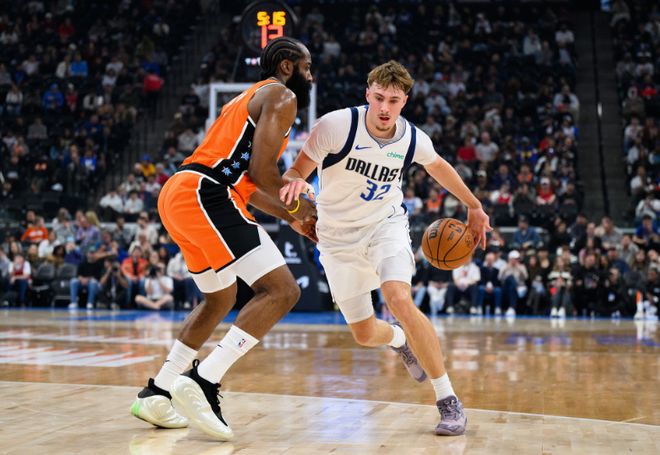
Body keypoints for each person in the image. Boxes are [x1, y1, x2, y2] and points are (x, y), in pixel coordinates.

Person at [279, 60, 491, 436]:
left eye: (393, 101)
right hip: (336, 239)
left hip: (385, 227)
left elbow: (438, 166)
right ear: (367, 94)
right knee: (364, 334)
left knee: (398, 298)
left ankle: (448, 400)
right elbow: (295, 172)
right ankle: (397, 338)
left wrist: (473, 205)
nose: (384, 108)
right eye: (378, 98)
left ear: (404, 101)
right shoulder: (335, 126)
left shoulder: (412, 139)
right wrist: (296, 189)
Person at [131, 37, 316, 441]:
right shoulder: (282, 95)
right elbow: (265, 174)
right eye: (306, 67)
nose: (311, 76)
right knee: (282, 290)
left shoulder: (248, 99)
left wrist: (294, 218)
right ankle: (204, 379)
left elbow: (251, 185)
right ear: (286, 66)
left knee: (220, 297)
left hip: (180, 192)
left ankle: (158, 392)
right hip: (207, 193)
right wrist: (304, 208)